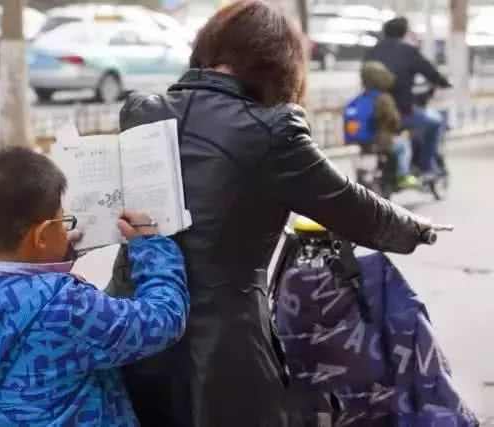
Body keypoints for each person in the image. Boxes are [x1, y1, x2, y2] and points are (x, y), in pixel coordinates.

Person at [106, 2, 433, 426]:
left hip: (131, 329)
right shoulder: (274, 130)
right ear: (281, 63)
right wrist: (417, 230)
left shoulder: (141, 111)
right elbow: (354, 208)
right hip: (222, 349)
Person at [0, 147, 189, 427]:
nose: (66, 227)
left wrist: (50, 261)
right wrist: (153, 249)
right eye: (61, 221)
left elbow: (16, 301)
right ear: (42, 235)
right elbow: (163, 319)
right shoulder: (65, 307)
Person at [365, 16, 451, 177]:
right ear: (404, 33)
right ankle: (426, 168)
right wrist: (444, 82)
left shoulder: (371, 52)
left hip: (374, 113)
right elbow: (431, 73)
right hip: (401, 113)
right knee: (435, 122)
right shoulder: (409, 52)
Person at [360, 60, 418, 188]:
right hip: (383, 142)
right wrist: (402, 129)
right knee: (404, 146)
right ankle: (403, 175)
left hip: (365, 143)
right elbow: (394, 120)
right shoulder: (384, 98)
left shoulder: (361, 98)